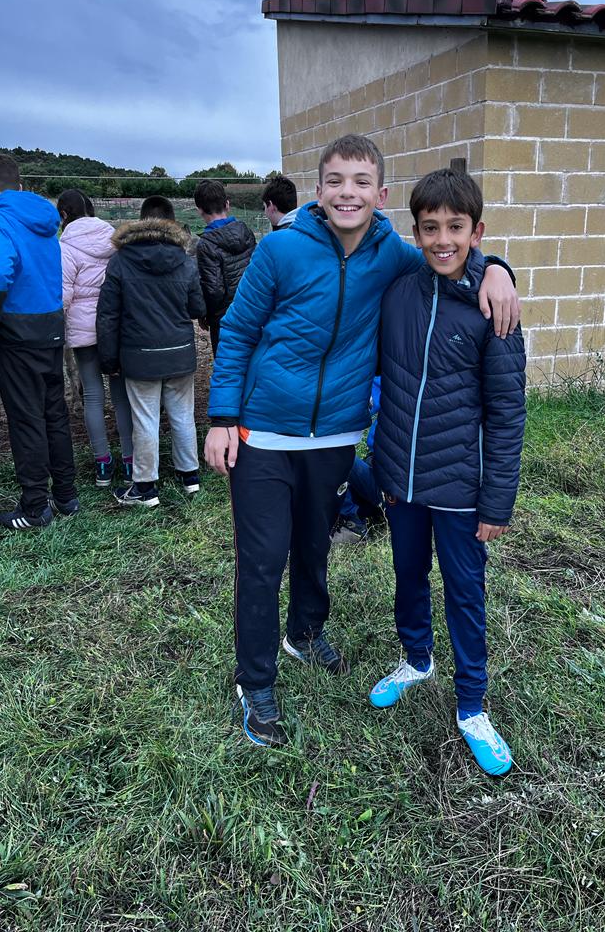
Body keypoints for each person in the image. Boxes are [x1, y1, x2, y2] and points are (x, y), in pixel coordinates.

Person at [204, 134, 520, 748]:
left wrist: (499, 270)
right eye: (335, 181)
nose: (347, 193)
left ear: (380, 195)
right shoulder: (279, 250)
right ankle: (256, 682)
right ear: (319, 190)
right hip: (263, 431)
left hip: (335, 436)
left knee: (314, 545)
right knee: (263, 560)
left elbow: (450, 251)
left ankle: (304, 633)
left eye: (361, 182)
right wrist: (221, 418)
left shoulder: (392, 254)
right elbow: (237, 330)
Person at [370, 168, 526, 778]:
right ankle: (416, 658)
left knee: (465, 592)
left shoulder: (493, 307)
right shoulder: (399, 291)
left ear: (476, 232)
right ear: (416, 231)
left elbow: (507, 413)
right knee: (408, 573)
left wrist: (497, 501)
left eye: (455, 228)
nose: (442, 240)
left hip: (462, 485)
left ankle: (472, 706)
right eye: (430, 227)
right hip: (401, 479)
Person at [0, 152, 78, 529]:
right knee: (54, 413)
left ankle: (35, 507)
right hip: (51, 324)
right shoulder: (44, 219)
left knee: (26, 417)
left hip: (17, 331)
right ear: (18, 184)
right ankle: (66, 495)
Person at [96, 196, 206, 507]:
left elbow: (107, 315)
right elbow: (197, 308)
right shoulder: (184, 259)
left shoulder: (120, 260)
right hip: (180, 351)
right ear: (172, 222)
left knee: (145, 419)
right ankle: (190, 477)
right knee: (183, 415)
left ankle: (145, 488)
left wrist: (108, 359)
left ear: (141, 220)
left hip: (139, 354)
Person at [58, 189, 134, 487]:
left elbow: (63, 296)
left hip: (83, 331)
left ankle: (103, 464)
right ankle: (130, 462)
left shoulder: (65, 247)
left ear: (64, 215)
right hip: (115, 327)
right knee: (121, 395)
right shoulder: (114, 239)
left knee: (92, 394)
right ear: (91, 210)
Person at [193, 180, 255, 358]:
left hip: (224, 319)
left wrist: (205, 314)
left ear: (199, 210)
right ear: (227, 204)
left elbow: (213, 290)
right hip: (252, 309)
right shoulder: (247, 232)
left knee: (227, 364)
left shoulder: (206, 245)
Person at [330, 376, 383, 544]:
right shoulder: (391, 373)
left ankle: (352, 524)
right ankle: (365, 512)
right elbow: (362, 404)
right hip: (374, 467)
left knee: (332, 451)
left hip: (395, 479)